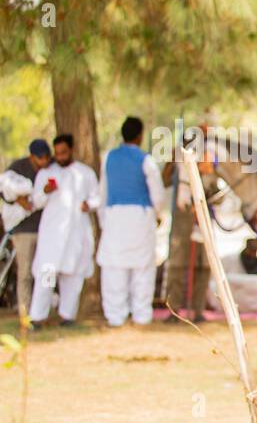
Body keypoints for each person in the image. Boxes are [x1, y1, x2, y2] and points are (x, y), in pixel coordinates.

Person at [97, 117, 164, 327]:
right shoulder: (146, 160)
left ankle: (115, 316)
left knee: (114, 268)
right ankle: (141, 315)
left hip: (114, 216)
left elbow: (103, 192)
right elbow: (158, 195)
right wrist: (158, 214)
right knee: (142, 268)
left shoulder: (108, 158)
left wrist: (103, 221)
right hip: (139, 217)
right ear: (140, 136)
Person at [29, 134, 98, 327]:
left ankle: (68, 315)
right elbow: (35, 202)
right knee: (46, 275)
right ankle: (38, 317)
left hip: (76, 234)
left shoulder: (85, 173)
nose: (60, 157)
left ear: (71, 150)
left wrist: (89, 204)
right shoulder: (45, 174)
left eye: (63, 153)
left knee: (72, 275)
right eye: (57, 153)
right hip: (52, 237)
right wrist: (45, 191)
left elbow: (96, 198)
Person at [162, 125, 220, 322]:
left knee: (204, 264)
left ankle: (197, 309)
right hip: (181, 220)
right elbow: (165, 180)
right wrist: (171, 160)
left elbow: (216, 193)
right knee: (177, 263)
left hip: (202, 220)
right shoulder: (178, 162)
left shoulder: (208, 162)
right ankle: (174, 309)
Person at [1, 139, 53, 317]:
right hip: (23, 230)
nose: (44, 161)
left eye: (46, 157)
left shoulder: (51, 168)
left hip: (47, 229)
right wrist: (17, 199)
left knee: (48, 269)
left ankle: (46, 308)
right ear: (32, 156)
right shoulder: (18, 168)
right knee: (25, 272)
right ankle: (26, 312)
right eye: (40, 158)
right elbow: (4, 189)